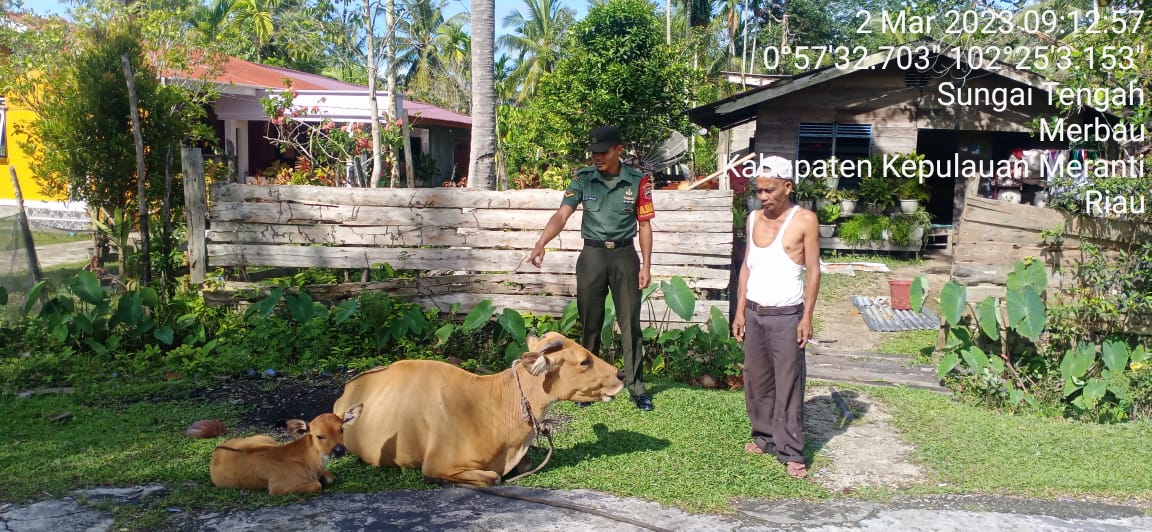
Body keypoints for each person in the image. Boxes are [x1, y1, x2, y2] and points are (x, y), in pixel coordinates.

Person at [528, 125, 656, 411]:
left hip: (625, 256)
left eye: (603, 152)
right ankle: (587, 386)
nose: (597, 158)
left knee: (630, 323)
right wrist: (541, 242)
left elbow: (645, 225)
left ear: (618, 150)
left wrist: (646, 265)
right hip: (593, 256)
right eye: (594, 153)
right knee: (590, 323)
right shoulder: (583, 179)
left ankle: (635, 385)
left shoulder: (637, 181)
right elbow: (562, 214)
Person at [732, 155, 821, 479]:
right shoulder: (753, 218)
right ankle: (764, 436)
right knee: (757, 380)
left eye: (769, 190)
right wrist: (740, 310)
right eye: (759, 190)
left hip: (787, 316)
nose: (763, 196)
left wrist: (806, 316)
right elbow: (746, 266)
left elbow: (813, 271)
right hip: (755, 313)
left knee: (789, 385)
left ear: (788, 186)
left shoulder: (804, 220)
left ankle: (791, 451)